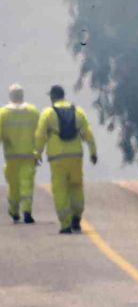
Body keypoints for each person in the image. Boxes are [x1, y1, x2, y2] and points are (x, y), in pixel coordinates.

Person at [34, 85, 97, 234]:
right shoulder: (78, 111)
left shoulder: (48, 113)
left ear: (52, 97)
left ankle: (65, 224)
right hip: (75, 155)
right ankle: (77, 217)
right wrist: (93, 152)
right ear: (64, 95)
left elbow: (40, 135)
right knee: (76, 185)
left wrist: (37, 154)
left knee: (60, 188)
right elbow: (88, 133)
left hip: (57, 157)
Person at [0, 84, 40, 224]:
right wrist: (38, 152)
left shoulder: (3, 113)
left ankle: (14, 212)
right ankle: (27, 211)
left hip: (11, 157)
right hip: (29, 155)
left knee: (13, 186)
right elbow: (39, 134)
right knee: (27, 184)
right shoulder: (33, 111)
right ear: (22, 95)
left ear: (10, 96)